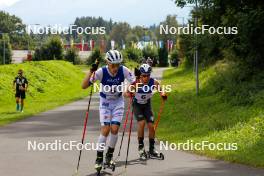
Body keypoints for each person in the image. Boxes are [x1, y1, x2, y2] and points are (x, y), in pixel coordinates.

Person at [82, 50, 135, 171]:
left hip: (118, 102)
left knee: (115, 129)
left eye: (118, 65)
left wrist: (130, 89)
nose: (115, 68)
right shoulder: (101, 72)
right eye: (113, 65)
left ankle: (109, 156)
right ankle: (99, 158)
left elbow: (134, 83)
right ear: (107, 62)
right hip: (105, 102)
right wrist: (91, 71)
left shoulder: (124, 70)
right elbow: (84, 86)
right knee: (106, 129)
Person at [125, 64, 167, 159]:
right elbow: (125, 93)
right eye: (144, 75)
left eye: (148, 75)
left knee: (151, 126)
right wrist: (130, 94)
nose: (146, 77)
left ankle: (152, 149)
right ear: (140, 75)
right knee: (142, 123)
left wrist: (163, 94)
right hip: (137, 105)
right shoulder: (135, 83)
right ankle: (141, 147)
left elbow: (161, 90)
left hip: (147, 105)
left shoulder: (153, 82)